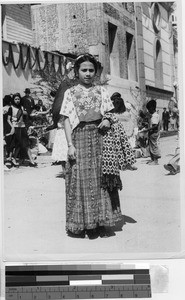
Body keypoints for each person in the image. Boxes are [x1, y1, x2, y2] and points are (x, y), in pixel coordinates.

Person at [60, 54, 127, 239]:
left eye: (91, 70)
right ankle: (82, 225)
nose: (88, 74)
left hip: (100, 138)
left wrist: (107, 120)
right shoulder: (70, 92)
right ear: (77, 72)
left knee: (101, 179)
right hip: (79, 137)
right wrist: (70, 145)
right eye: (84, 70)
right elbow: (66, 119)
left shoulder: (101, 91)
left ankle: (101, 223)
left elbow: (111, 114)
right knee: (79, 179)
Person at [7, 93, 37, 167]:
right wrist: (12, 127)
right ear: (13, 100)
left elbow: (28, 114)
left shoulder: (22, 107)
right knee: (16, 145)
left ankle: (31, 161)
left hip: (22, 127)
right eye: (15, 99)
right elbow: (8, 119)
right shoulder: (11, 108)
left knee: (26, 144)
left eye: (18, 99)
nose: (17, 100)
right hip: (15, 127)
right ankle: (12, 159)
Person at [110, 92, 137, 170]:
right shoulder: (127, 114)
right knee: (127, 150)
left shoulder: (113, 114)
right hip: (126, 134)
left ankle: (119, 165)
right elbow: (131, 124)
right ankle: (128, 164)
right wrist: (131, 133)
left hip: (116, 135)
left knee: (117, 150)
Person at [145, 99, 161, 165]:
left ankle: (155, 160)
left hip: (154, 133)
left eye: (149, 110)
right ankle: (152, 159)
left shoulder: (154, 116)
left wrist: (147, 129)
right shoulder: (155, 115)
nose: (148, 111)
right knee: (151, 146)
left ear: (152, 108)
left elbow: (155, 126)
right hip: (152, 133)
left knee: (154, 147)